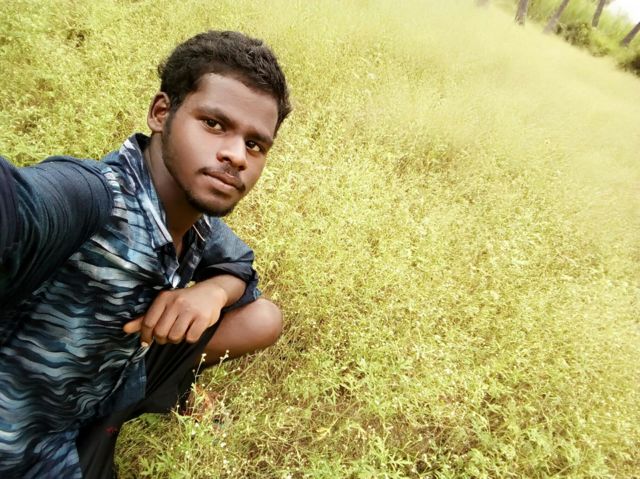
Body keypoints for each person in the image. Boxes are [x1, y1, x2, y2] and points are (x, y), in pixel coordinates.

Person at [0, 30, 291, 478]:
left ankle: (162, 392)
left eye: (255, 144)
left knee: (265, 317)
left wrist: (211, 293)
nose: (236, 155)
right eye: (214, 124)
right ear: (161, 112)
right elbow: (23, 207)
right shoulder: (90, 198)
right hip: (25, 443)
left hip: (96, 402)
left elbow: (240, 264)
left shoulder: (195, 219)